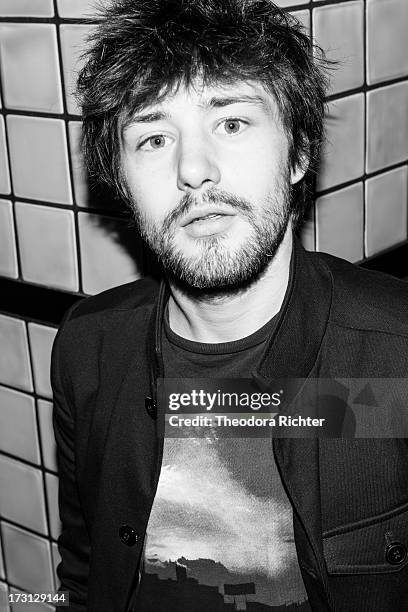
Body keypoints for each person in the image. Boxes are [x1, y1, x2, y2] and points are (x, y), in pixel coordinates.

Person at [52, 1, 408, 611]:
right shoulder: (88, 349)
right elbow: (84, 575)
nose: (193, 169)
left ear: (298, 155)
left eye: (232, 123)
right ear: (122, 185)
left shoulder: (395, 351)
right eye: (154, 138)